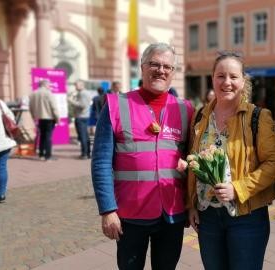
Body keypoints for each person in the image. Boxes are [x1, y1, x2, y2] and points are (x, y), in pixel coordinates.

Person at [91, 43, 194, 270]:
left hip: (172, 213)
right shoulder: (116, 105)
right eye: (154, 64)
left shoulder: (186, 109)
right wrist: (108, 210)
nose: (161, 70)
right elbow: (100, 162)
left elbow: (193, 159)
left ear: (173, 72)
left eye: (167, 66)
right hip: (130, 213)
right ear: (142, 67)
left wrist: (191, 203)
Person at [187, 52, 275, 270]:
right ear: (212, 78)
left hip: (246, 217)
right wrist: (191, 204)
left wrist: (238, 188)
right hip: (207, 216)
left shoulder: (258, 116)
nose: (227, 82)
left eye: (233, 76)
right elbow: (193, 162)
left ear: (243, 81)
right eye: (220, 76)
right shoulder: (200, 116)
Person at [29, 79, 59, 161]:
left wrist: (33, 117)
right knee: (48, 137)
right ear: (45, 84)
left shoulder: (33, 93)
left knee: (42, 136)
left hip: (39, 118)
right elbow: (54, 107)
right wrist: (57, 119)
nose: (49, 86)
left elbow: (30, 107)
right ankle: (48, 156)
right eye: (49, 84)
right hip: (49, 118)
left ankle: (41, 154)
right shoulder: (48, 93)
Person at [68, 80, 92, 159]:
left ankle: (84, 154)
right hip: (83, 116)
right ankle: (87, 153)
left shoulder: (83, 93)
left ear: (82, 85)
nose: (75, 87)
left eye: (76, 85)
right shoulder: (84, 93)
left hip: (81, 117)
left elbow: (82, 105)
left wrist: (71, 101)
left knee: (83, 136)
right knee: (85, 135)